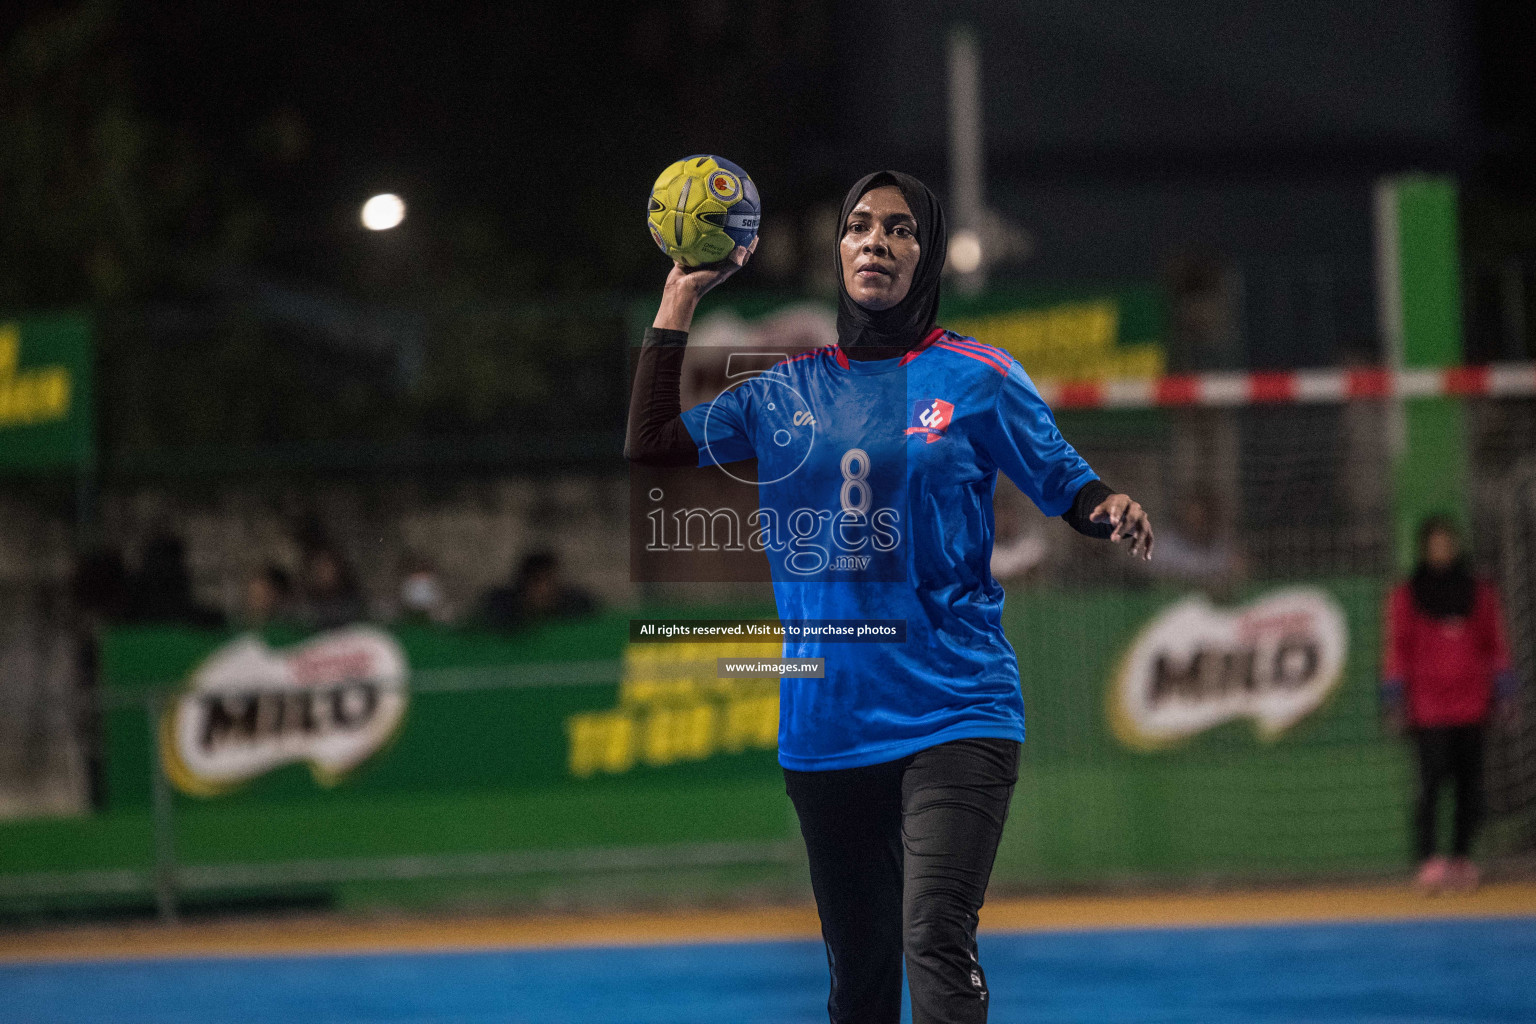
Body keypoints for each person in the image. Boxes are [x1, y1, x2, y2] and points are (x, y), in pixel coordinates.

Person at [626, 171, 1153, 1024]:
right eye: (860, 226)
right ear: (837, 250)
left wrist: (1108, 507)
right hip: (827, 726)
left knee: (936, 938)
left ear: (928, 253)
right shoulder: (783, 390)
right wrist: (679, 293)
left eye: (901, 230)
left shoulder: (978, 375)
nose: (877, 241)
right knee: (862, 982)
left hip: (958, 708)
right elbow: (650, 443)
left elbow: (1066, 482)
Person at [1382, 515, 1519, 893]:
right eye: (1435, 543)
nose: (1442, 550)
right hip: (1428, 708)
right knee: (1429, 784)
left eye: (1448, 543)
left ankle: (1461, 859)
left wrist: (1505, 691)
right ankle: (1429, 861)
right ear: (1425, 548)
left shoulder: (1480, 591)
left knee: (1469, 787)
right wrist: (1394, 698)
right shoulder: (1407, 594)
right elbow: (1397, 650)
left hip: (1473, 704)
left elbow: (1496, 645)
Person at [478, 550, 596, 632]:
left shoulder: (575, 608)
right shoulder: (502, 612)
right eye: (537, 582)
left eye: (550, 583)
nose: (544, 590)